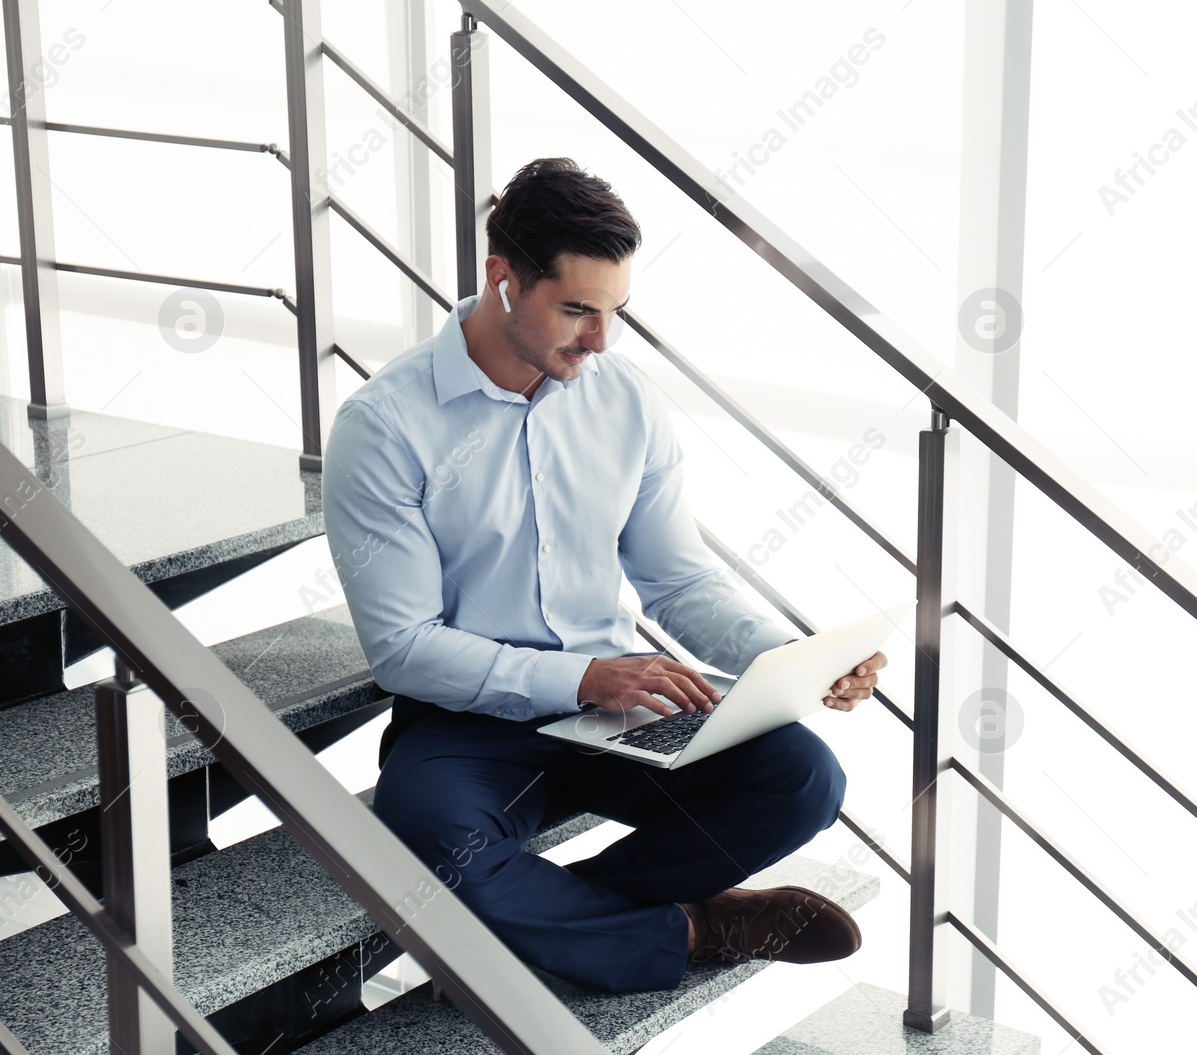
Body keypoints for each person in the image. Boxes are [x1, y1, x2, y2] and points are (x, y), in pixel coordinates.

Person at [321, 156, 888, 994]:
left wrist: (795, 659)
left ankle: (563, 923)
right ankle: (697, 924)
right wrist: (585, 674)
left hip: (619, 714)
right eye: (577, 310)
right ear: (503, 280)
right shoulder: (386, 425)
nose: (600, 339)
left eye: (614, 310)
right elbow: (404, 647)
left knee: (802, 775)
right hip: (465, 725)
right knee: (431, 845)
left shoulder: (624, 401)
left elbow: (679, 581)